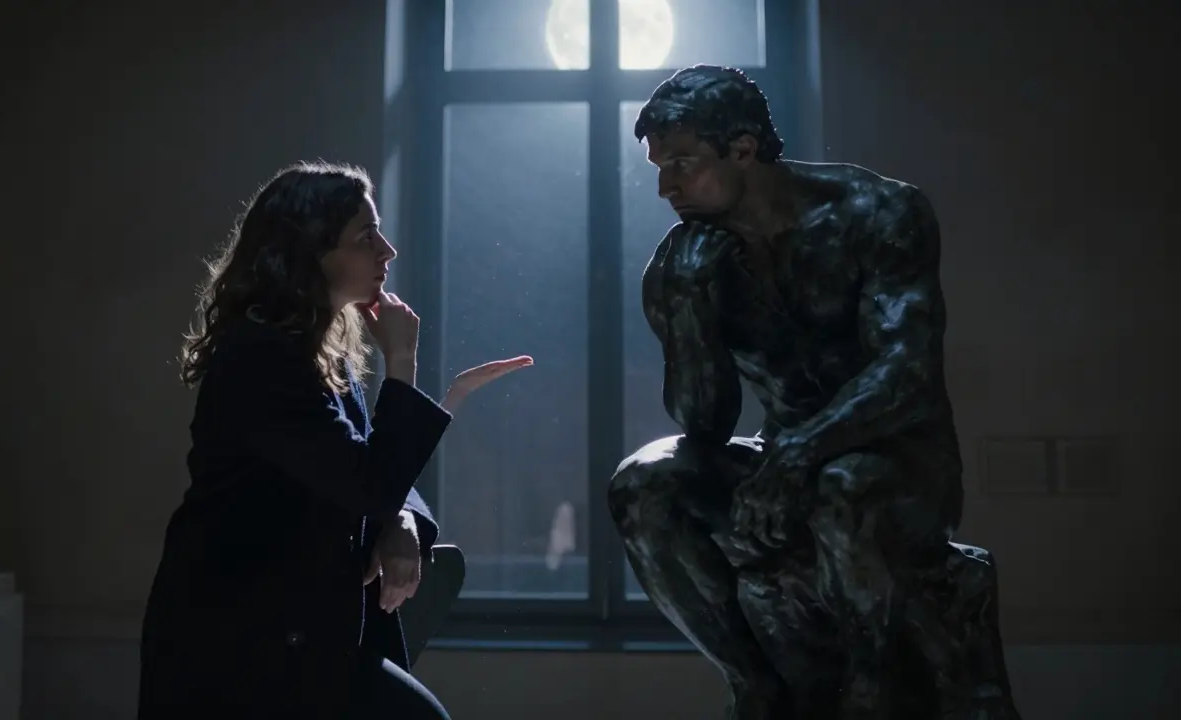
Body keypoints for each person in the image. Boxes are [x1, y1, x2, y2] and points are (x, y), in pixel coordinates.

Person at [608, 66, 1018, 719]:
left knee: (844, 486)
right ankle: (755, 681)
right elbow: (703, 426)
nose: (665, 186)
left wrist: (802, 452)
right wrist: (689, 310)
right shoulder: (681, 264)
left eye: (682, 163)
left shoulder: (876, 213)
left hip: (900, 463)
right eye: (660, 167)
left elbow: (906, 372)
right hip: (783, 461)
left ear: (743, 149)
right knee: (642, 486)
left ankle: (871, 682)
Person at [138, 161, 532, 719]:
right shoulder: (261, 359)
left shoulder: (318, 355)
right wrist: (402, 361)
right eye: (365, 237)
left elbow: (371, 471)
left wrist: (402, 523)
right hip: (240, 648)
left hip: (299, 638)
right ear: (311, 255)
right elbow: (368, 482)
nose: (387, 251)